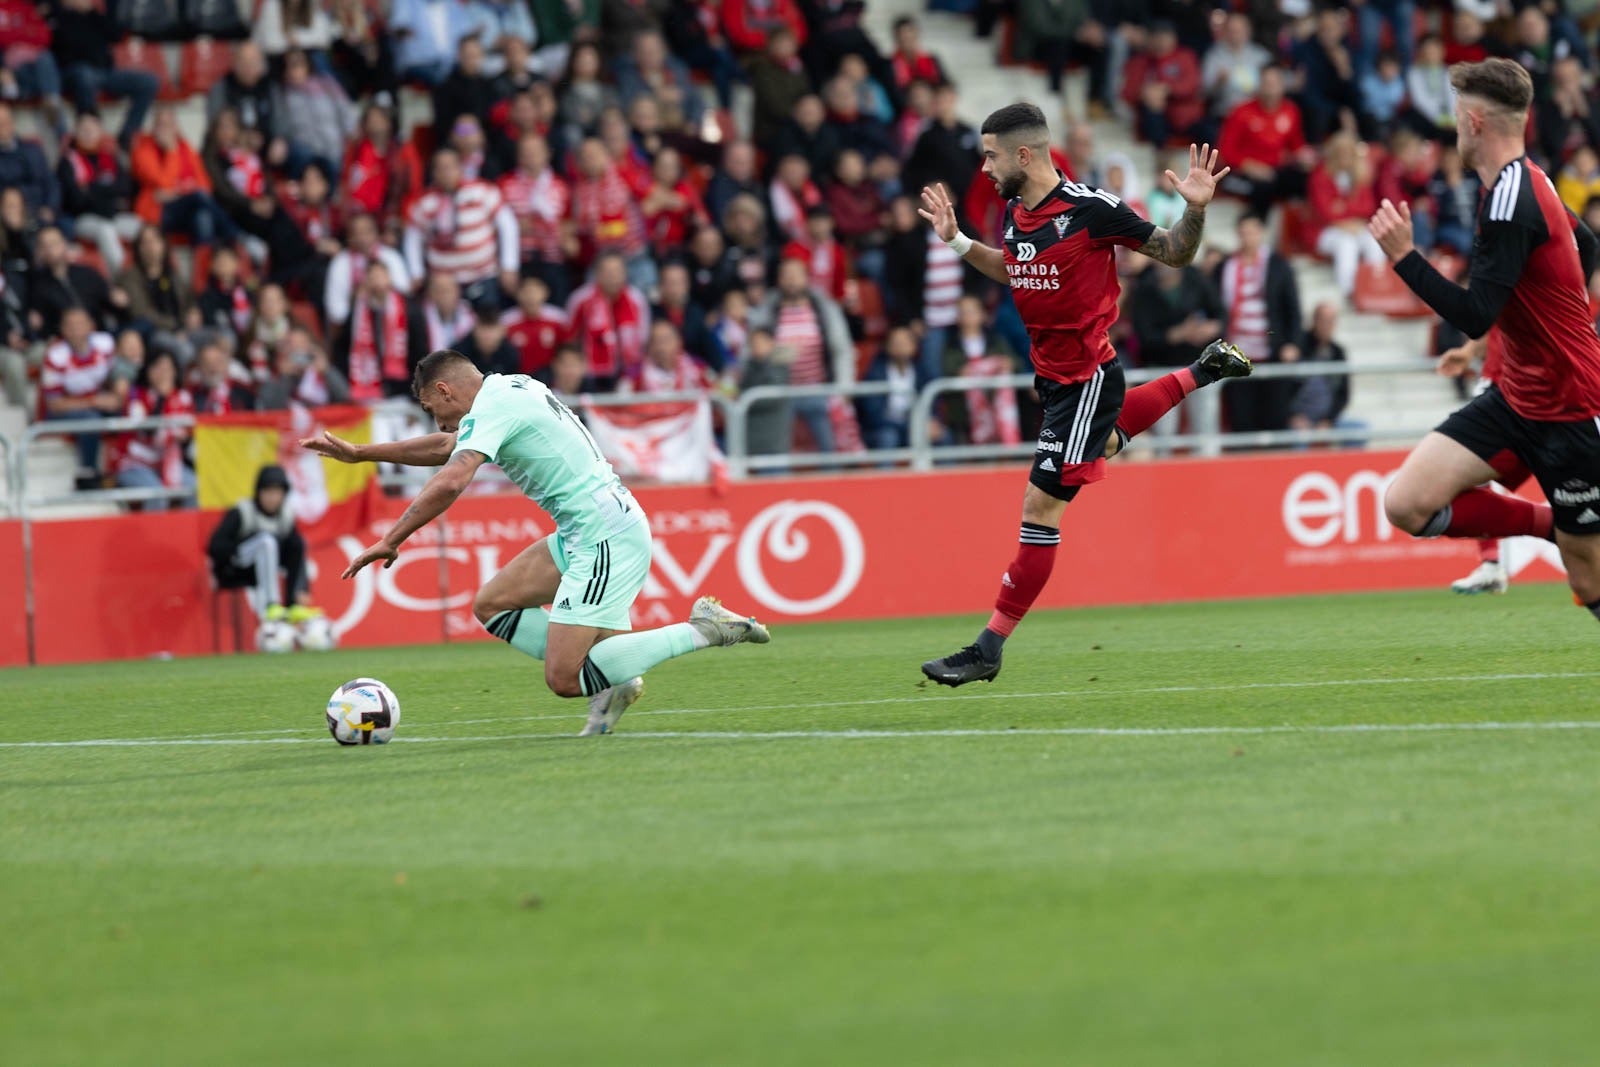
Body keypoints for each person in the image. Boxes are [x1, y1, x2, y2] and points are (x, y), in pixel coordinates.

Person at [915, 104, 1250, 685]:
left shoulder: (1091, 209)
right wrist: (958, 243)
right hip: (1053, 379)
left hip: (1087, 379)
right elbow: (1015, 269)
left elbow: (1175, 251)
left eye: (991, 155)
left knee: (1039, 511)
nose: (984, 167)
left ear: (1024, 154)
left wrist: (1195, 211)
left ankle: (988, 647)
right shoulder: (1016, 211)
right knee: (1103, 446)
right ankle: (1203, 369)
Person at [302, 351, 771, 736]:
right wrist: (362, 453)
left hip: (603, 534)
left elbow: (451, 479)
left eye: (433, 409)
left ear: (445, 390)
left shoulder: (491, 407)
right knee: (493, 603)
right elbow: (447, 449)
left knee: (564, 678)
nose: (440, 421)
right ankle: (615, 681)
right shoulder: (512, 385)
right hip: (583, 531)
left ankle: (707, 629)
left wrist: (391, 538)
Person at [1368, 59, 1600, 624]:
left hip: (1569, 408)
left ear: (1474, 122)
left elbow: (1474, 313)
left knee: (1588, 573)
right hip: (1517, 398)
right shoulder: (1528, 180)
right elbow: (1587, 246)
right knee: (1406, 503)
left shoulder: (1511, 200)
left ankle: (1569, 537)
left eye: (1454, 116)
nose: (1452, 128)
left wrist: (1404, 257)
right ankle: (1551, 527)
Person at [207, 465, 313, 622]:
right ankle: (272, 604)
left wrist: (303, 588)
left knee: (297, 542)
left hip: (266, 569)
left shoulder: (286, 515)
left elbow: (295, 549)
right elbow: (215, 545)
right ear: (258, 492)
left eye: (277, 493)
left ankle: (294, 604)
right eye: (268, 492)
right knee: (266, 542)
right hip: (236, 568)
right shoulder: (243, 511)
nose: (272, 498)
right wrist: (237, 551)